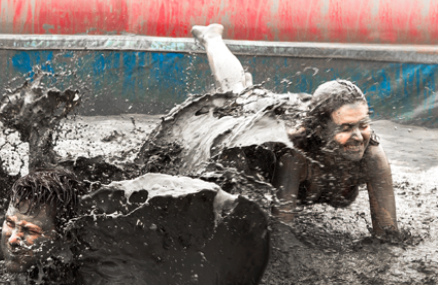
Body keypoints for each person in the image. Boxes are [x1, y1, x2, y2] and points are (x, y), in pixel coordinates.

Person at [167, 24, 398, 237]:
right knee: (237, 96)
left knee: (246, 93)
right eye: (346, 128)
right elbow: (282, 233)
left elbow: (388, 234)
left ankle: (249, 87)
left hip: (299, 116)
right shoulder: (295, 156)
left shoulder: (372, 157)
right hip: (270, 119)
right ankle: (212, 38)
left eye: (363, 124)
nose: (358, 136)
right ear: (319, 131)